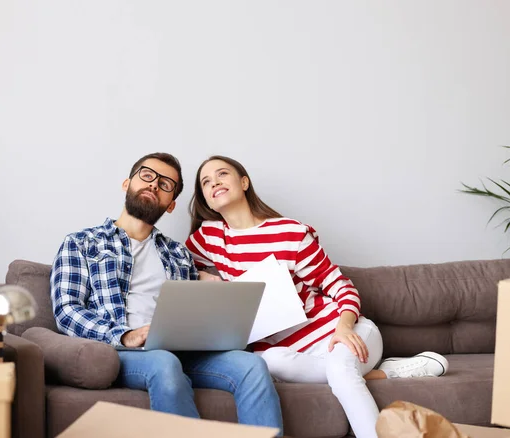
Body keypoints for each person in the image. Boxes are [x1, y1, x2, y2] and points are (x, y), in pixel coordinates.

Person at [185, 155, 449, 438]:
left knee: (340, 367)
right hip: (293, 355)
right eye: (206, 182)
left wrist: (344, 327)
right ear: (207, 200)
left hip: (341, 331)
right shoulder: (209, 237)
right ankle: (388, 373)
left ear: (244, 183)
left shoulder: (290, 232)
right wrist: (204, 276)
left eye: (222, 174)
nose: (215, 183)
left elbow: (341, 286)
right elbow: (182, 265)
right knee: (266, 361)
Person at [50, 152, 283, 434]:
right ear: (127, 183)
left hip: (183, 350)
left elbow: (194, 306)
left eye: (165, 184)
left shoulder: (178, 253)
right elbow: (67, 310)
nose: (154, 185)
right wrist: (126, 335)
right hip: (126, 350)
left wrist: (211, 287)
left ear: (171, 205)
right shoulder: (82, 243)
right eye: (147, 176)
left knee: (252, 366)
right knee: (164, 362)